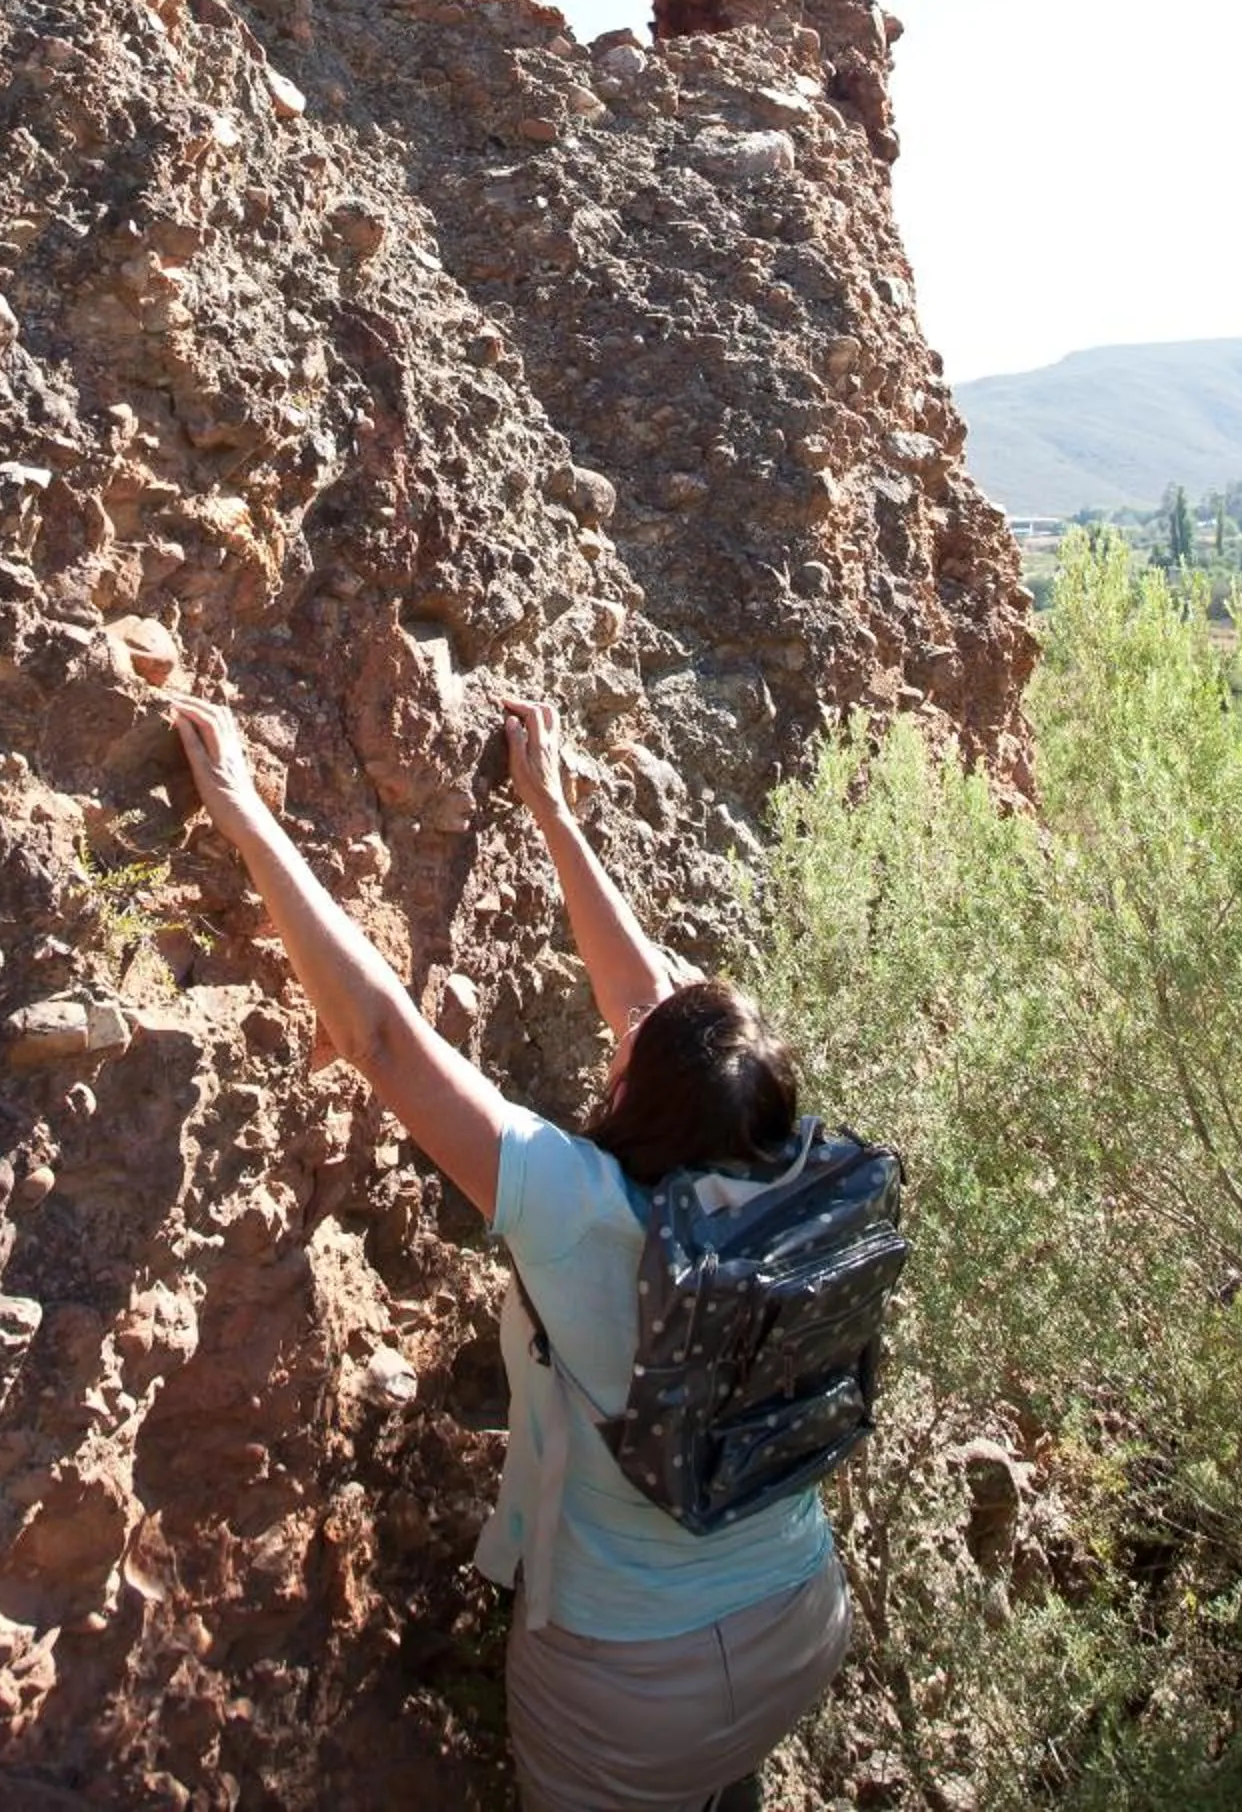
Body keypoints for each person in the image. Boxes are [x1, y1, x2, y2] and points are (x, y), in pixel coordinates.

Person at [170, 688, 852, 1812]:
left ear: (641, 1097)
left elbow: (381, 1039)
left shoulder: (581, 1212)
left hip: (629, 1685)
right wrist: (552, 813)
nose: (622, 1035)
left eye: (631, 1056)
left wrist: (246, 816)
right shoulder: (788, 1176)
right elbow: (654, 1011)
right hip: (797, 1623)